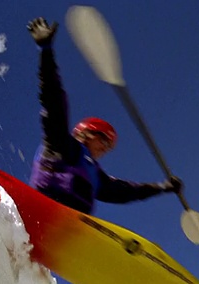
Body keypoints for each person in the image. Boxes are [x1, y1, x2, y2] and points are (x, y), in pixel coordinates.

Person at [26, 17, 182, 214]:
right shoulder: (63, 145)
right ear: (85, 133)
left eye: (109, 146)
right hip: (44, 207)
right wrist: (46, 51)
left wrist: (163, 187)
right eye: (104, 140)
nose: (106, 148)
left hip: (75, 224)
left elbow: (127, 191)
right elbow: (54, 100)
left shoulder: (96, 175)